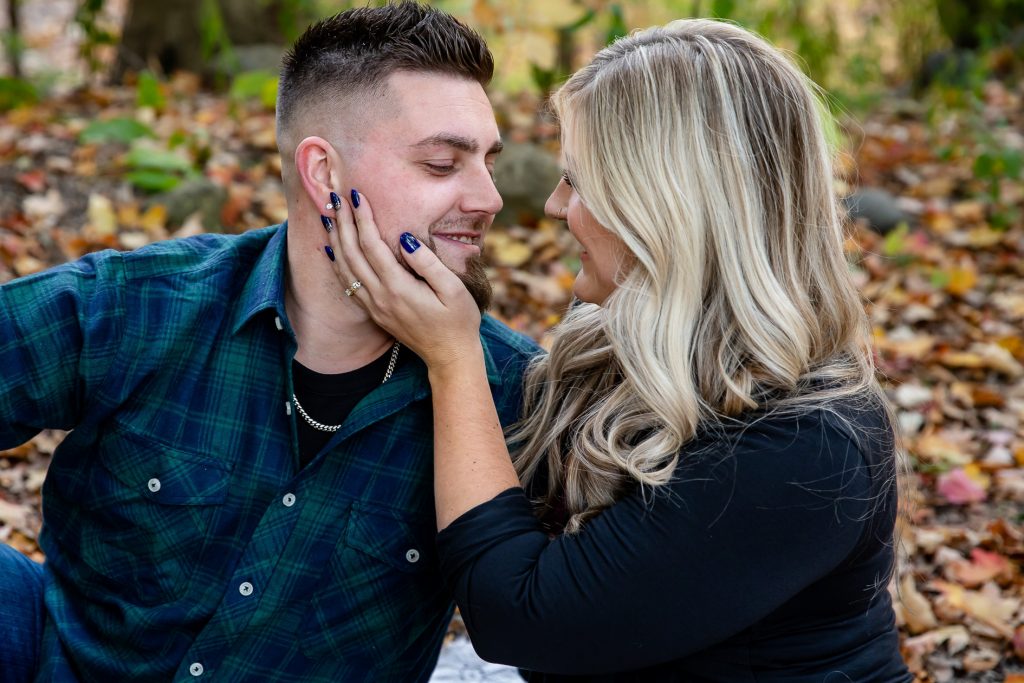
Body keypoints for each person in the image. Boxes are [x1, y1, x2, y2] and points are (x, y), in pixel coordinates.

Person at [327, 18, 913, 682]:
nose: (552, 206)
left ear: (666, 206)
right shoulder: (618, 338)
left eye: (577, 181)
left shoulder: (808, 444)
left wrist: (454, 359)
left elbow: (521, 616)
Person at [0, 3, 538, 682]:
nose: (489, 197)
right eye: (442, 163)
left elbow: (580, 617)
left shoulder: (512, 392)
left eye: (489, 162)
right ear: (324, 175)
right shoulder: (139, 306)